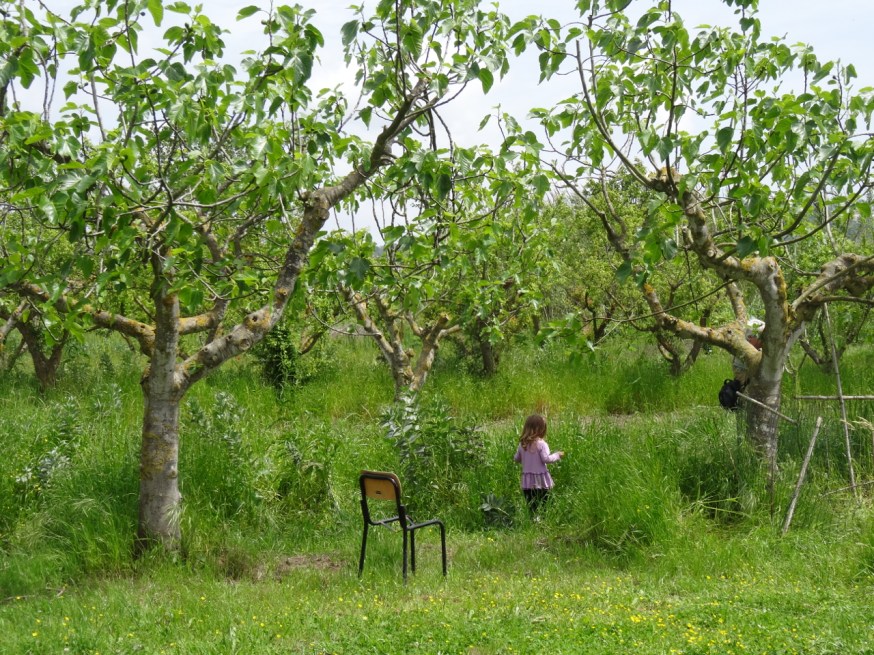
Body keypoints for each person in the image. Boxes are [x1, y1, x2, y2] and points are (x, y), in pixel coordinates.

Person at [513, 414, 564, 516]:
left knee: (532, 506)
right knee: (545, 503)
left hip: (527, 481)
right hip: (541, 481)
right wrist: (557, 455)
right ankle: (544, 520)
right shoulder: (542, 444)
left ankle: (533, 520)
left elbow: (516, 458)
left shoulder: (522, 444)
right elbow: (546, 459)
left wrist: (525, 457)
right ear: (541, 429)